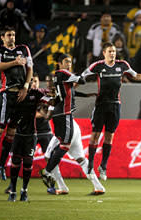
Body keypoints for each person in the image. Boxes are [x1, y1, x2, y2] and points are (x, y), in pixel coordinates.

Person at [82, 42, 141, 181]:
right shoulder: (97, 66)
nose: (112, 54)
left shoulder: (122, 65)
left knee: (109, 136)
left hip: (115, 105)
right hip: (101, 105)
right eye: (110, 51)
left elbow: (136, 75)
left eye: (114, 51)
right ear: (104, 53)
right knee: (95, 135)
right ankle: (90, 165)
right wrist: (70, 86)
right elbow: (82, 77)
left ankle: (103, 166)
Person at [0, 26, 33, 181]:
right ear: (2, 37)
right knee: (0, 127)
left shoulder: (24, 49)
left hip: (21, 94)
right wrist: (15, 62)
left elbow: (30, 68)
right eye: (8, 35)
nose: (12, 37)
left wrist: (26, 87)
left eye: (13, 35)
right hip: (7, 93)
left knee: (12, 132)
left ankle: (1, 165)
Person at [38, 53, 86, 188]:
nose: (69, 64)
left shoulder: (59, 76)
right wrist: (80, 76)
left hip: (61, 114)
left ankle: (49, 173)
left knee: (63, 145)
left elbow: (59, 97)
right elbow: (82, 81)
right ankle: (46, 171)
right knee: (65, 145)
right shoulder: (63, 73)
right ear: (60, 63)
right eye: (66, 61)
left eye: (70, 62)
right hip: (64, 114)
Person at [7, 82, 52, 202]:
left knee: (28, 163)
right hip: (18, 134)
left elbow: (48, 95)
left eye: (35, 81)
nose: (34, 84)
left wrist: (51, 95)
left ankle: (24, 191)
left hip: (31, 135)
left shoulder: (36, 93)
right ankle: (12, 191)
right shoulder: (16, 93)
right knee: (15, 162)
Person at [44, 119, 105, 195]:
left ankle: (62, 187)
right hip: (74, 127)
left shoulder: (54, 107)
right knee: (81, 159)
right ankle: (99, 187)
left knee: (48, 157)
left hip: (64, 129)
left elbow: (47, 115)